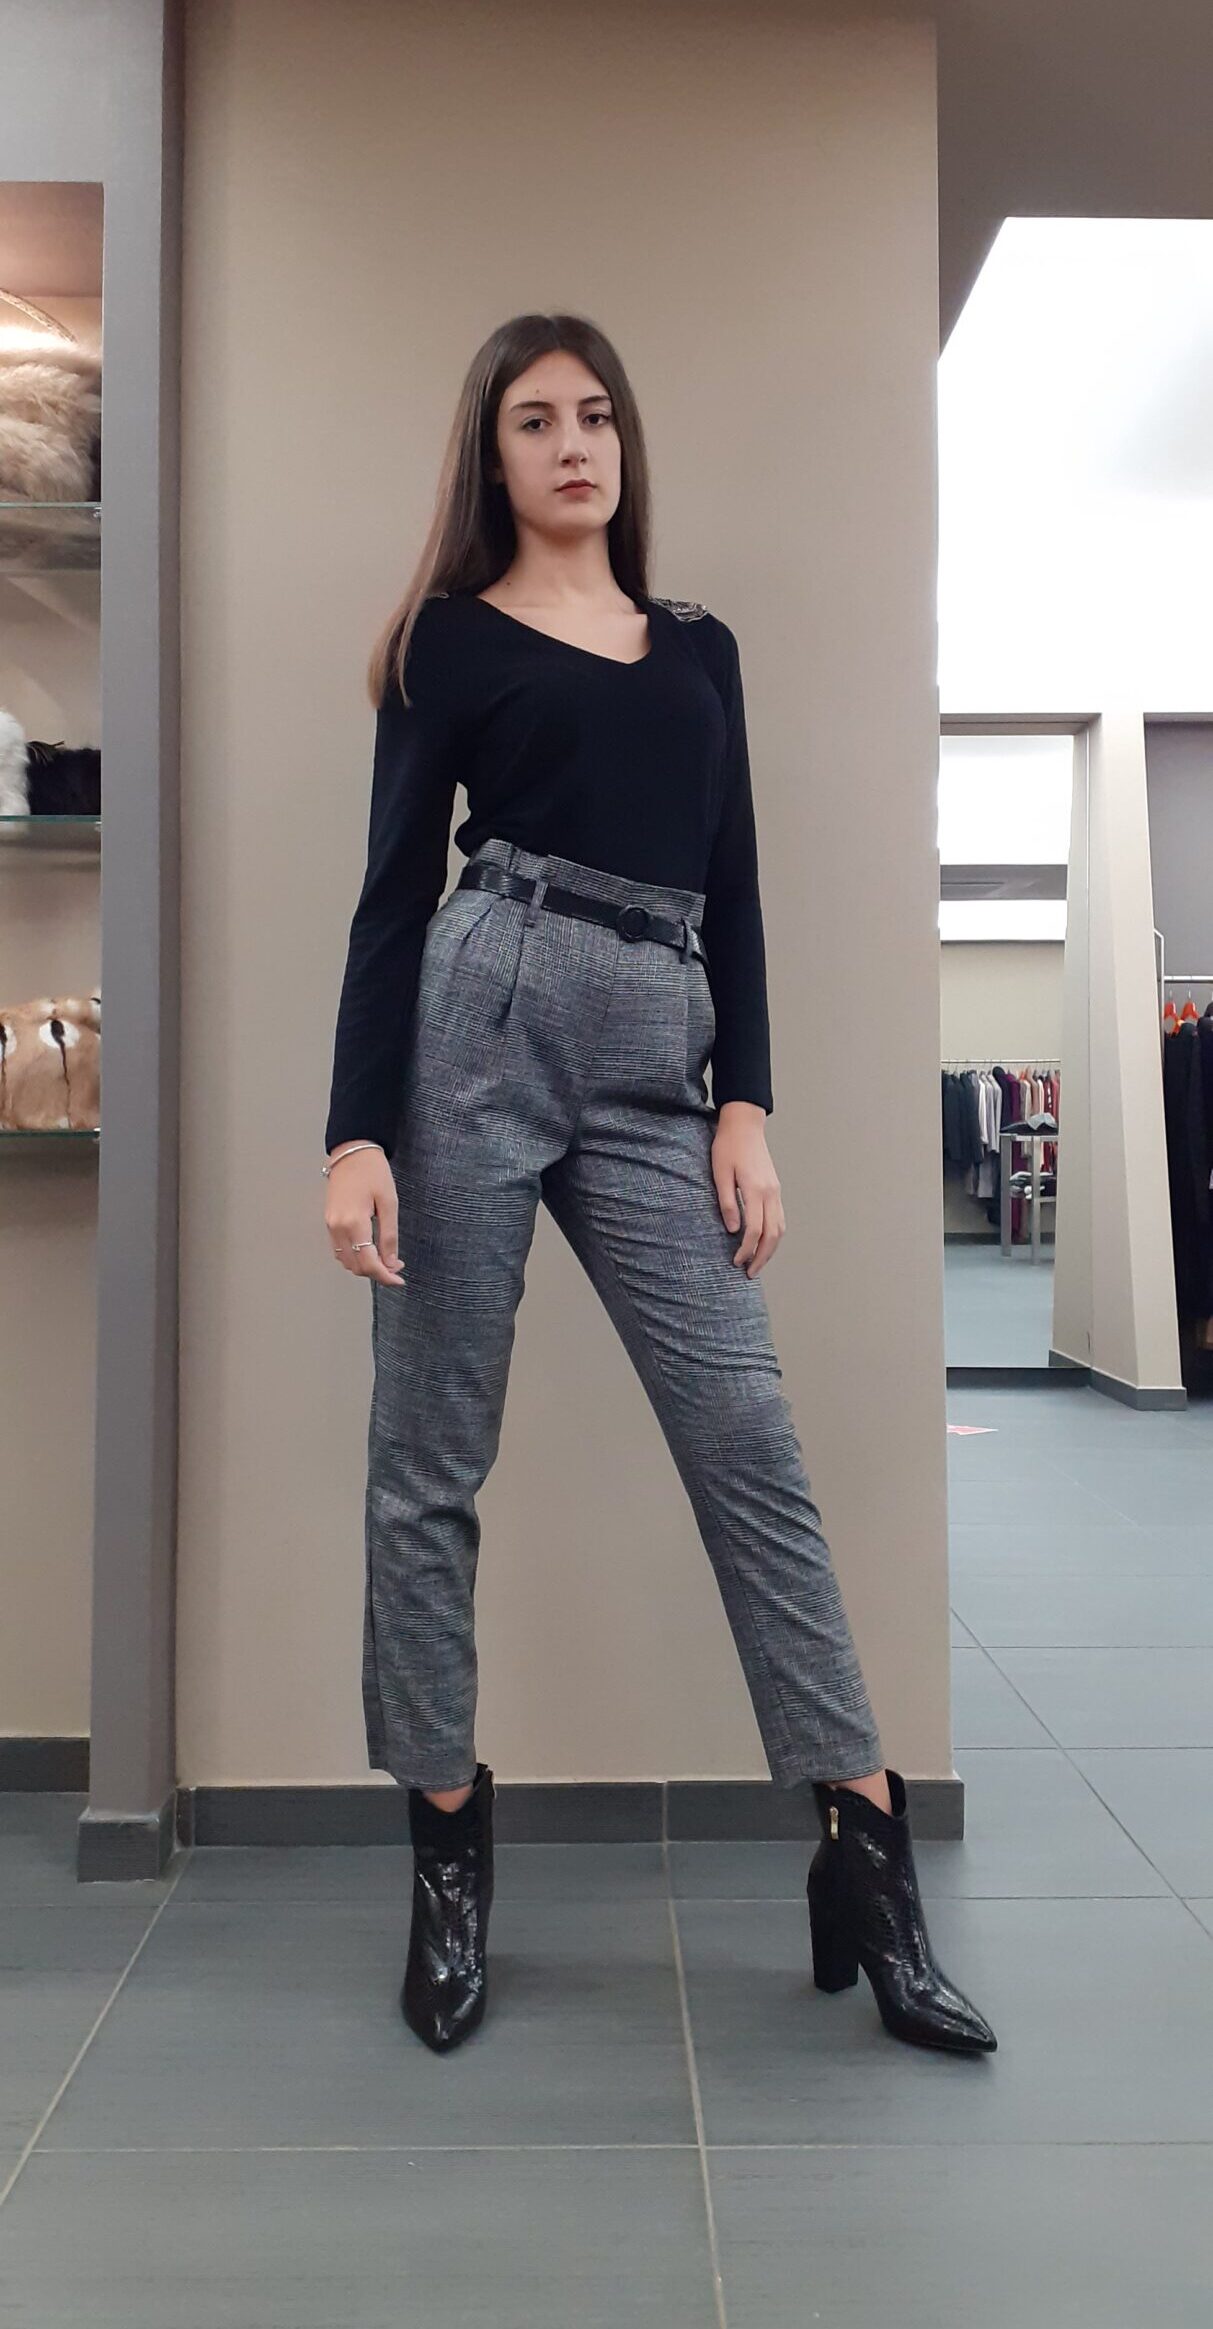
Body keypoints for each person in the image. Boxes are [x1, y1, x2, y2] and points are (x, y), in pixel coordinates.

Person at [322, 311, 997, 2062]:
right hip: (476, 1021)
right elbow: (392, 895)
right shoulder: (449, 642)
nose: (572, 444)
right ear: (491, 457)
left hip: (653, 1049)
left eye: (595, 415)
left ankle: (862, 1841)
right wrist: (354, 1132)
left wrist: (744, 1101)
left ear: (624, 445)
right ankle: (447, 1850)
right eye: (534, 420)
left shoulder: (699, 648)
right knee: (430, 1457)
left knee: (746, 1438)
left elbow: (738, 879)